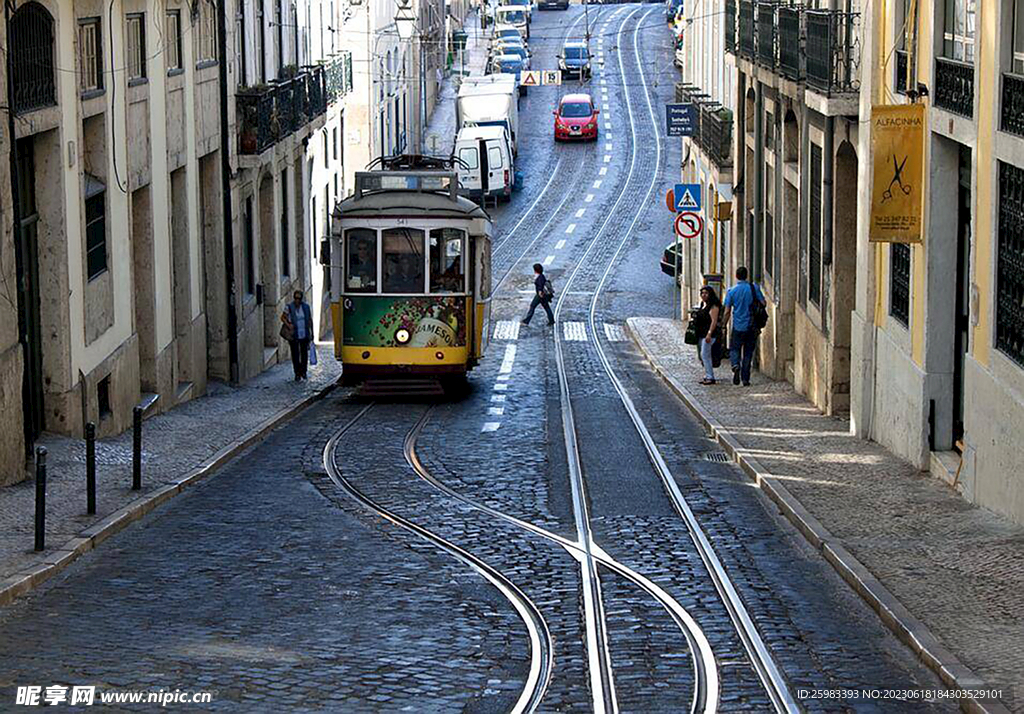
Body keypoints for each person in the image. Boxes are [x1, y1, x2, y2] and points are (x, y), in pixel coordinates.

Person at [721, 266, 766, 386]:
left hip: (738, 326)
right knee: (748, 352)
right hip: (752, 326)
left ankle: (735, 365)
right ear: (746, 275)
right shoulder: (754, 288)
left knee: (735, 349)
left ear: (736, 276)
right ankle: (745, 379)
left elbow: (727, 311)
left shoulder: (731, 291)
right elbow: (763, 303)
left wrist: (723, 325)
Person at [281, 290, 313, 381]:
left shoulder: (306, 307)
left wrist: (311, 332)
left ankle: (304, 371)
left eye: (299, 298)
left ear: (301, 299)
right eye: (295, 298)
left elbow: (310, 320)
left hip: (304, 333)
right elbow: (283, 317)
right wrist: (288, 325)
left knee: (304, 354)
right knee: (295, 354)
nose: (297, 300)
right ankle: (297, 373)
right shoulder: (289, 307)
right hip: (294, 333)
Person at [695, 285, 722, 385]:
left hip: (710, 335)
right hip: (702, 334)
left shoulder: (713, 306)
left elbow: (714, 321)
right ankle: (707, 375)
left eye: (706, 293)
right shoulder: (703, 304)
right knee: (704, 355)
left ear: (710, 294)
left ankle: (710, 377)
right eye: (702, 293)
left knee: (705, 355)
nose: (703, 295)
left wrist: (709, 333)